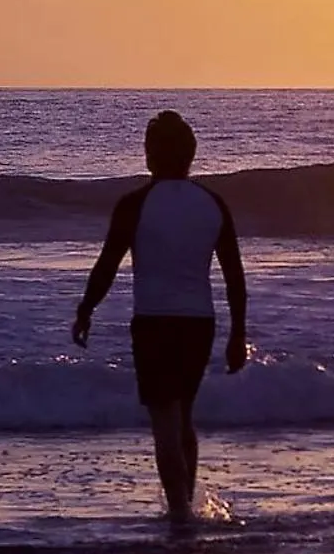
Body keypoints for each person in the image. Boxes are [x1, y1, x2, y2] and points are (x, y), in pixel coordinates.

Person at [71, 110, 248, 524]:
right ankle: (184, 506)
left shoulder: (135, 204)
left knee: (165, 420)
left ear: (151, 155)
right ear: (191, 155)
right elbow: (235, 277)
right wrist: (237, 333)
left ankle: (180, 515)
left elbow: (107, 265)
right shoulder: (212, 203)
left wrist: (85, 310)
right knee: (183, 415)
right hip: (200, 324)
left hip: (154, 323)